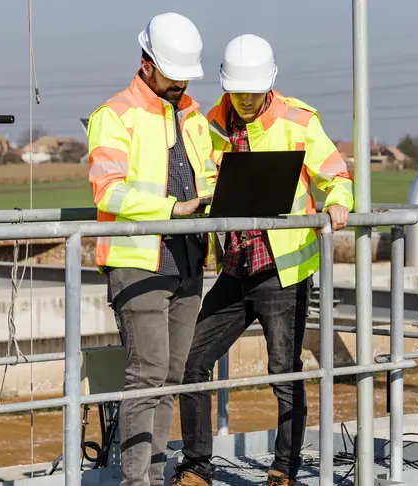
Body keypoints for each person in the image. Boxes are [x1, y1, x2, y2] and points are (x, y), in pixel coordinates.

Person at [173, 34, 353, 486]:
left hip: (283, 269)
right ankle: (196, 468)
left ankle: (283, 471)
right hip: (235, 266)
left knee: (283, 372)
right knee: (193, 363)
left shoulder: (298, 118)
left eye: (253, 93)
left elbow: (334, 173)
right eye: (239, 92)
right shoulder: (209, 120)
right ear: (227, 86)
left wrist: (339, 201)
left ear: (269, 84)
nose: (247, 101)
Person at [85, 12, 218, 486]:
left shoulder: (194, 116)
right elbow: (108, 191)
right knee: (148, 374)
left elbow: (208, 177)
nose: (180, 83)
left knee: (173, 376)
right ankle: (135, 481)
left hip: (187, 260)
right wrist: (171, 208)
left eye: (186, 75)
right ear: (147, 64)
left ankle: (156, 477)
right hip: (138, 263)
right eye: (173, 74)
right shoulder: (114, 115)